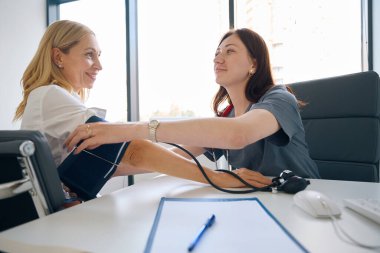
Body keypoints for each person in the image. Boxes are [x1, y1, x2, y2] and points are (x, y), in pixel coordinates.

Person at [14, 21, 271, 201]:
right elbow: (131, 151)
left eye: (99, 55)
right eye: (90, 55)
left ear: (254, 64)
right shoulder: (51, 94)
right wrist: (217, 177)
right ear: (58, 57)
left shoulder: (274, 99)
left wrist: (166, 164)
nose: (100, 65)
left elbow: (123, 158)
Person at [65, 28, 320, 184]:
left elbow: (238, 135)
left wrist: (128, 129)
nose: (217, 58)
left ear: (254, 63)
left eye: (229, 51)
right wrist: (101, 171)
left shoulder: (279, 98)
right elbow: (175, 156)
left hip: (304, 199)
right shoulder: (227, 117)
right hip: (263, 200)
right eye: (216, 53)